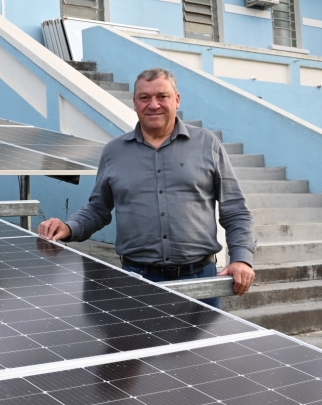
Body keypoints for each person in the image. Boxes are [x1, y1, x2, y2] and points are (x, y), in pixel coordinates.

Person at [38, 67, 255, 306]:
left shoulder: (207, 144)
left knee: (200, 346)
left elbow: (235, 210)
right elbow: (98, 209)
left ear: (177, 100)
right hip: (137, 282)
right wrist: (68, 227)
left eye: (162, 96)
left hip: (200, 281)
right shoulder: (114, 152)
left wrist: (241, 259)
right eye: (145, 98)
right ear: (134, 103)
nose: (154, 105)